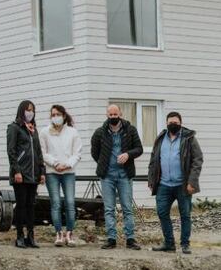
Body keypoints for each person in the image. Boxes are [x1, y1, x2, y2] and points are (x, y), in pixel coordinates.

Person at [147, 111, 204, 254]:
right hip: (163, 184)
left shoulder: (189, 138)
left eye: (176, 123)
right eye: (170, 123)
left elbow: (198, 160)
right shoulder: (160, 138)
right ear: (166, 123)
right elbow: (153, 160)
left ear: (180, 123)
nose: (173, 125)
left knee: (185, 215)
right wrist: (151, 179)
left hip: (183, 185)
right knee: (161, 213)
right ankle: (169, 244)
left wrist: (192, 181)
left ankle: (185, 244)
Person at [91, 104, 143, 250]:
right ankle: (111, 239)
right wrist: (104, 164)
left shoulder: (130, 130)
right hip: (107, 176)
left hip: (125, 175)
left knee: (127, 207)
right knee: (109, 208)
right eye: (110, 115)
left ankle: (130, 239)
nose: (113, 117)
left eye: (116, 114)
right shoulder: (99, 132)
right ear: (107, 115)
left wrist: (128, 155)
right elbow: (95, 153)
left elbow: (139, 149)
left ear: (120, 113)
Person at [39, 104, 82, 247]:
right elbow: (43, 152)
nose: (55, 117)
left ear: (64, 116)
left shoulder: (73, 132)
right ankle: (58, 232)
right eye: (53, 115)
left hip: (68, 172)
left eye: (58, 114)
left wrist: (67, 164)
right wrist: (55, 163)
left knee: (70, 202)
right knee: (56, 203)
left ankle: (69, 233)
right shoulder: (45, 132)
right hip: (52, 172)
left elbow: (77, 153)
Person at [7, 100, 46, 248]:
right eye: (28, 110)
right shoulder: (14, 128)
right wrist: (16, 170)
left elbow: (38, 151)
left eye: (33, 110)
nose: (30, 112)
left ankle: (31, 236)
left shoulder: (33, 130)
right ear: (22, 111)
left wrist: (42, 171)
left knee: (31, 205)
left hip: (33, 174)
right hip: (21, 174)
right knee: (21, 205)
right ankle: (19, 236)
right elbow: (11, 151)